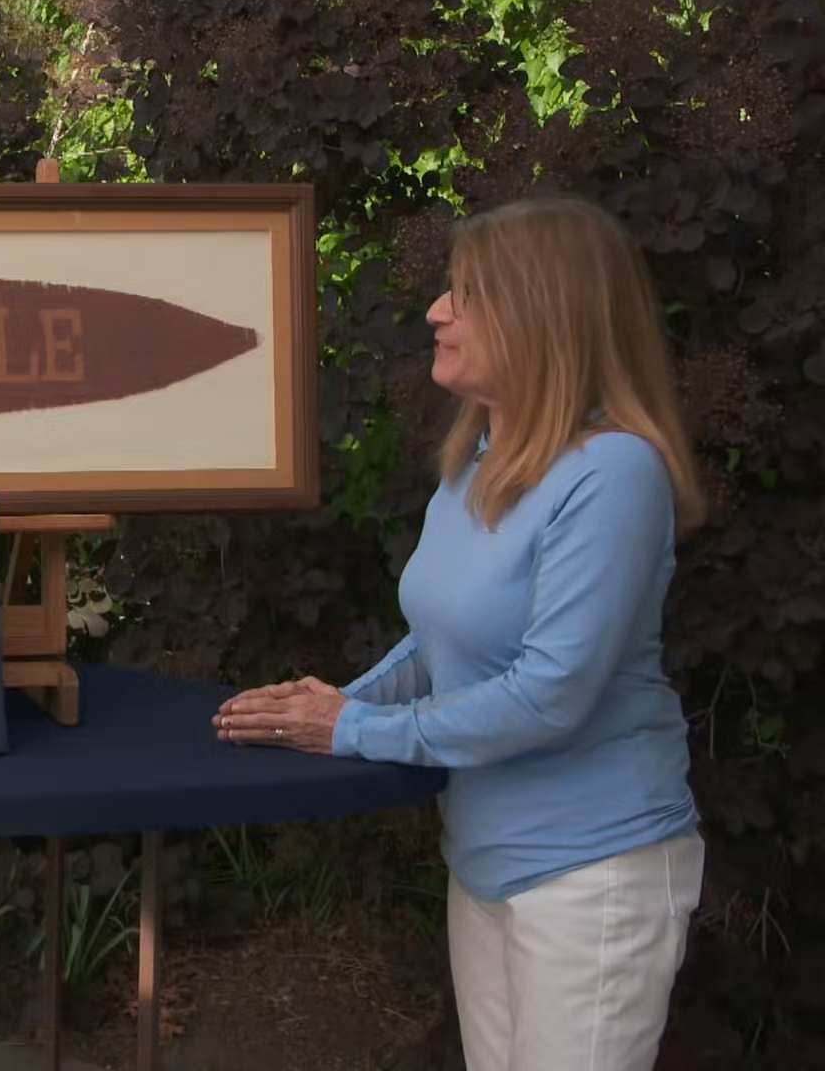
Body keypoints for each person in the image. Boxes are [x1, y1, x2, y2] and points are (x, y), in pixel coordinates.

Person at [212, 195, 707, 1071]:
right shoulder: (478, 461)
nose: (437, 312)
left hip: (593, 869)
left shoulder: (614, 473)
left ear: (543, 314)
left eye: (466, 295)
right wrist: (332, 705)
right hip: (482, 857)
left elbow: (549, 695)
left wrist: (351, 729)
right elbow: (439, 641)